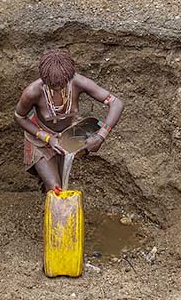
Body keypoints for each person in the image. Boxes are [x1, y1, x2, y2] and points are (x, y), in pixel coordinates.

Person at [14, 48, 124, 192]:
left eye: (63, 84)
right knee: (56, 189)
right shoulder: (33, 92)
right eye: (53, 85)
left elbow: (116, 103)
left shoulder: (77, 82)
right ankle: (55, 211)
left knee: (60, 186)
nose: (59, 88)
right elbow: (19, 116)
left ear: (69, 76)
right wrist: (48, 138)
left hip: (68, 137)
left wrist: (101, 136)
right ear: (45, 79)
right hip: (40, 140)